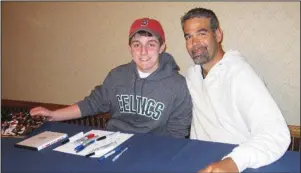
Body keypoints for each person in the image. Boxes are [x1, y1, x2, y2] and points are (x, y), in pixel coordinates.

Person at [30, 17, 192, 138]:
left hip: (153, 150)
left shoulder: (178, 85)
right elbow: (91, 104)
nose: (143, 51)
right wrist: (53, 115)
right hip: (112, 143)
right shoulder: (117, 76)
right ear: (130, 48)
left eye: (151, 44)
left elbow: (177, 135)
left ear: (162, 47)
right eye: (137, 44)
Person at [181, 7, 291, 172]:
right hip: (197, 159)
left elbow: (277, 133)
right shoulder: (192, 74)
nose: (194, 43)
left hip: (239, 162)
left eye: (201, 33)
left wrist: (234, 162)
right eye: (188, 36)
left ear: (218, 35)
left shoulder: (240, 74)